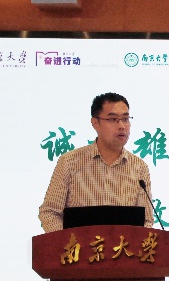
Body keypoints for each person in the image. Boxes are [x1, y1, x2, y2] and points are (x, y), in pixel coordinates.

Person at [38, 92, 154, 232]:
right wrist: (67, 241)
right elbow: (49, 212)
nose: (122, 126)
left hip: (123, 246)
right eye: (113, 119)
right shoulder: (69, 162)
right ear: (95, 123)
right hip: (77, 245)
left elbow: (146, 220)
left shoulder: (140, 167)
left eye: (125, 119)